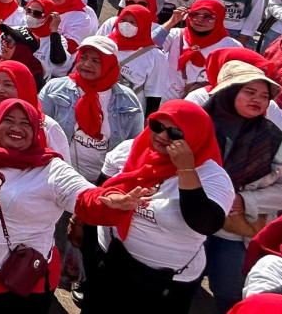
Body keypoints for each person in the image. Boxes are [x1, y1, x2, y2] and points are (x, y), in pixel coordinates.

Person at [0, 98, 148, 313]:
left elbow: (83, 197)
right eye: (8, 120)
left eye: (25, 123)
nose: (16, 128)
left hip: (12, 278)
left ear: (36, 130)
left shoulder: (51, 168)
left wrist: (108, 202)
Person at [79, 99, 234, 313]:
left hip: (167, 282)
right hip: (111, 261)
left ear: (195, 137)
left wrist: (186, 170)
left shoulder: (212, 176)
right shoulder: (130, 150)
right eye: (157, 126)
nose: (162, 136)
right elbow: (99, 192)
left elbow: (205, 223)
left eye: (175, 133)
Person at [199, 62, 282, 312]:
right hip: (191, 222)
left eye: (265, 96)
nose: (258, 99)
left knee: (230, 290)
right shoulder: (196, 126)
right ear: (229, 91)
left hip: (237, 229)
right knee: (181, 284)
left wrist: (245, 200)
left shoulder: (273, 137)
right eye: (249, 91)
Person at [38, 36, 145, 181]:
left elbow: (133, 149)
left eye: (96, 61)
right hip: (56, 177)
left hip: (101, 183)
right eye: (84, 58)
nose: (87, 64)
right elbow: (38, 129)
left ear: (110, 64)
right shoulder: (55, 89)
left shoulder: (128, 101)